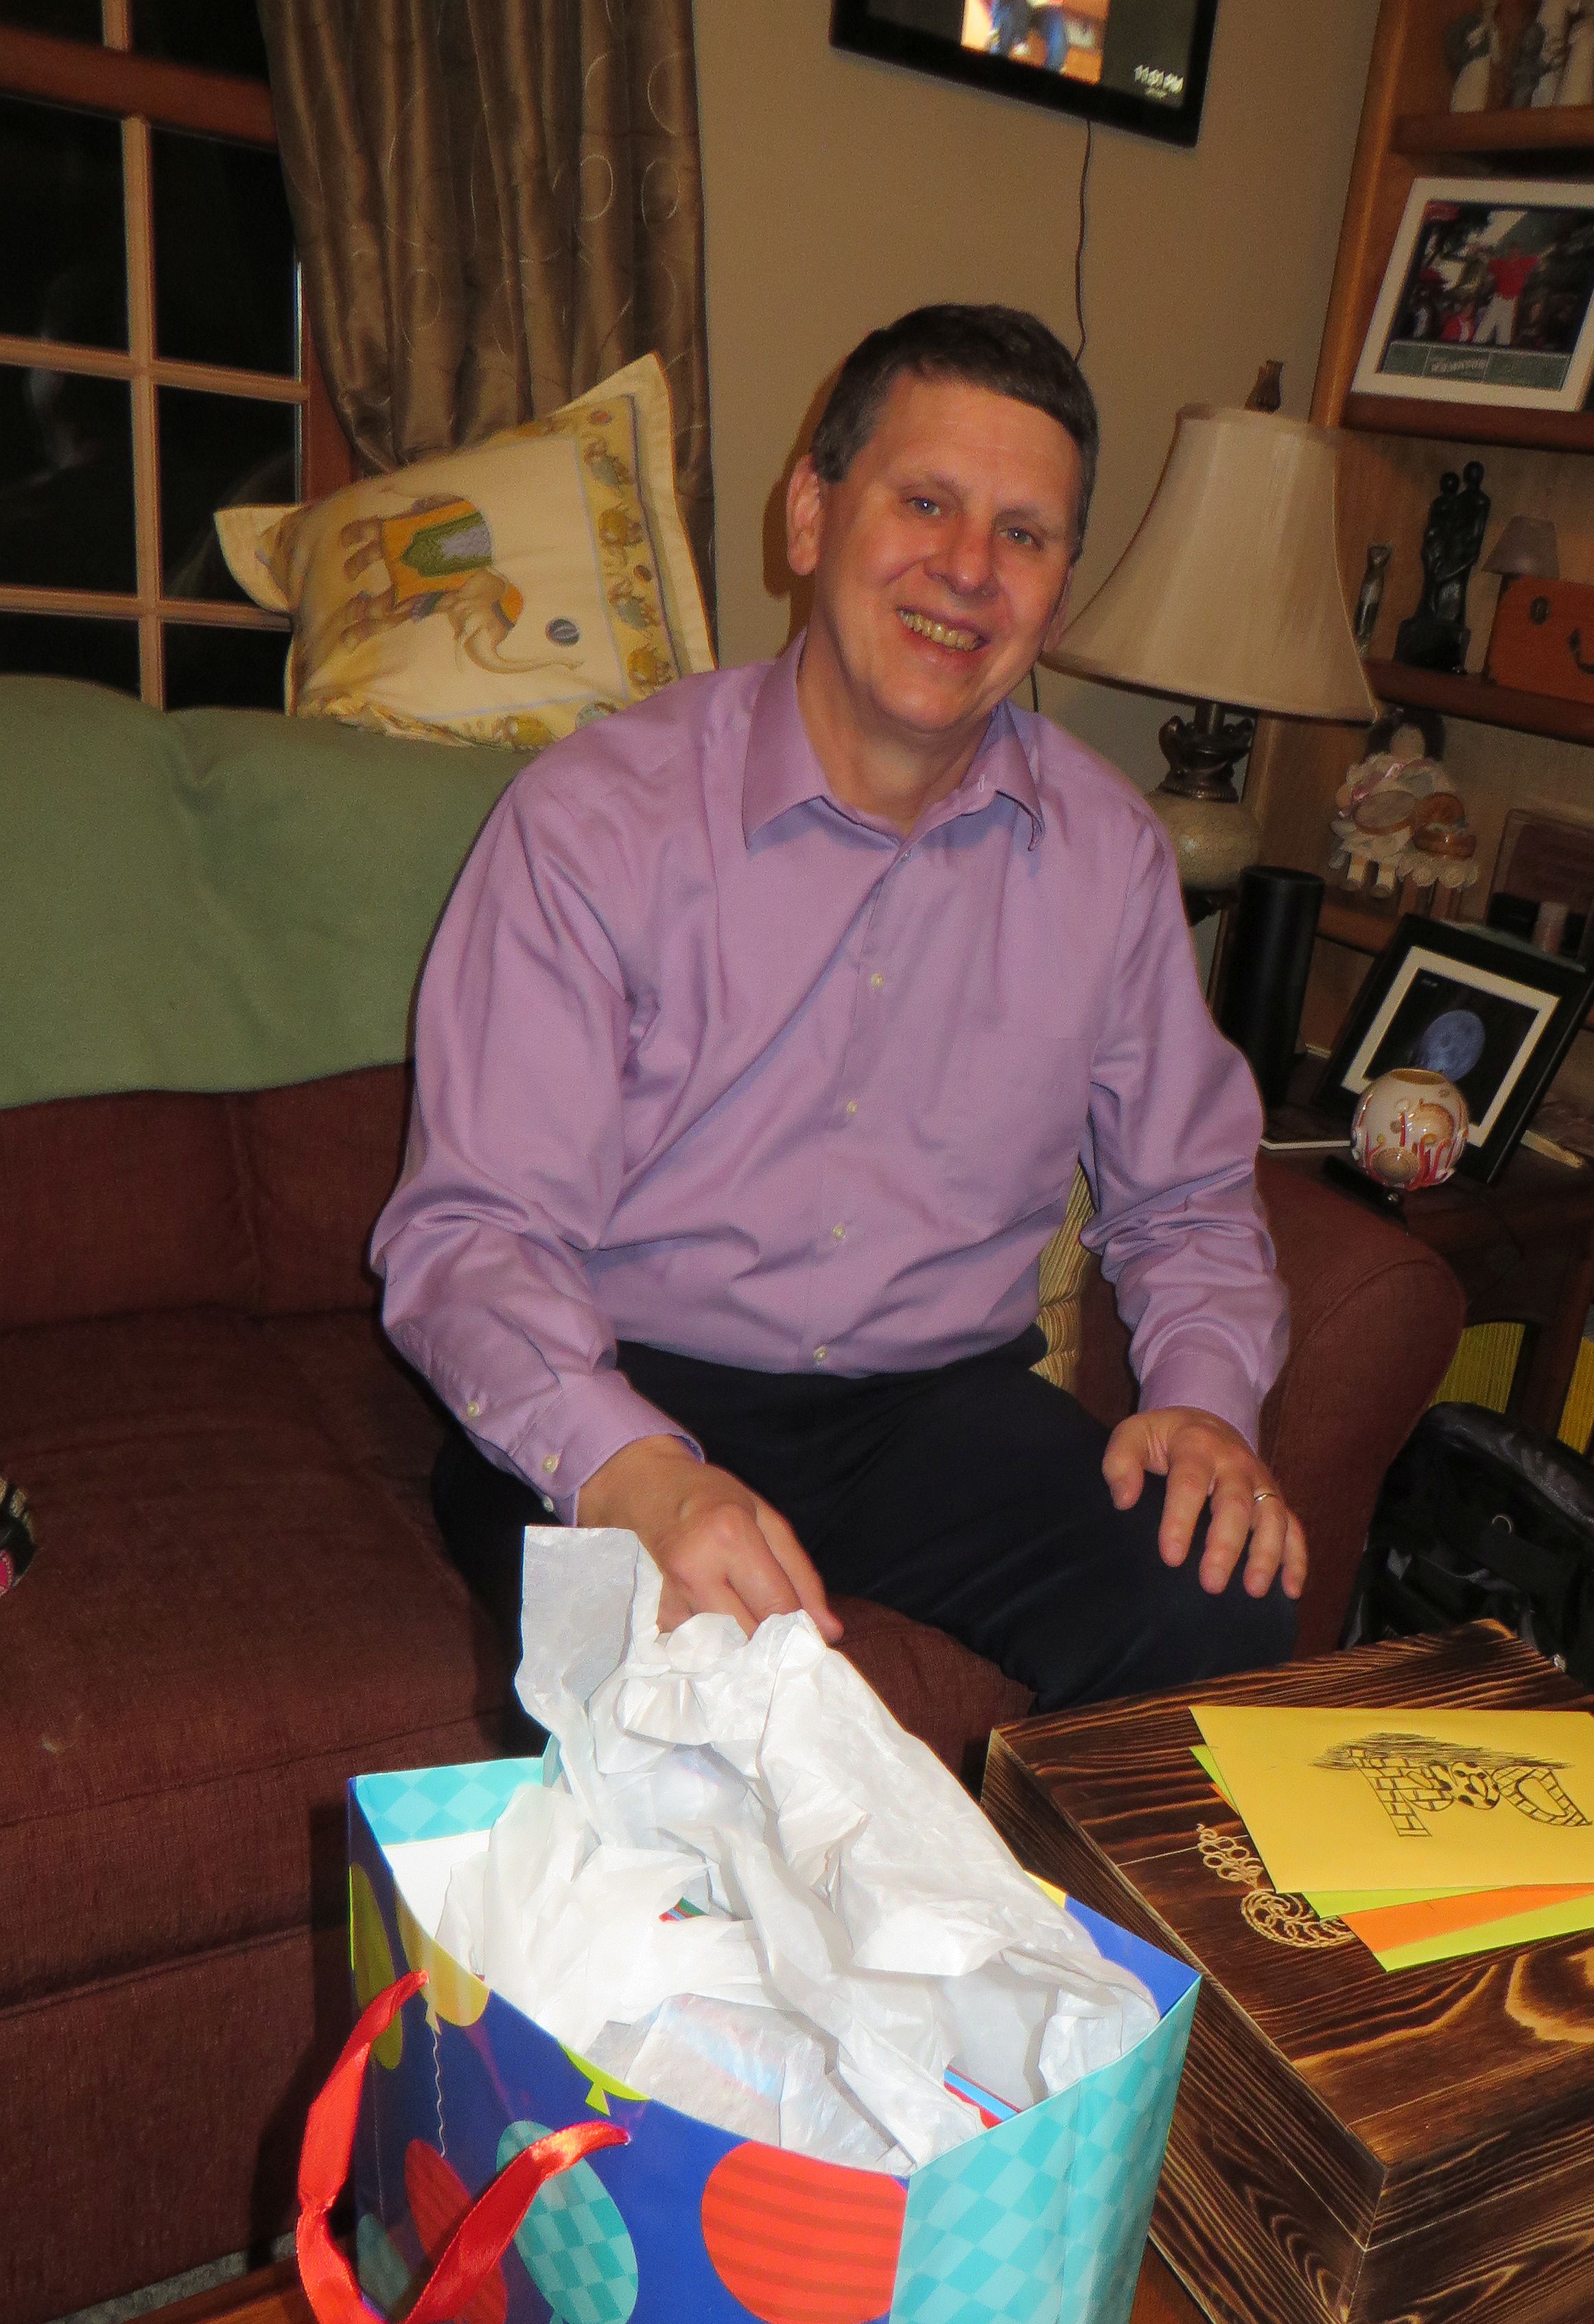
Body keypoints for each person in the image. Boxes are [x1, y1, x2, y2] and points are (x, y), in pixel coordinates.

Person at [373, 303, 1303, 1711]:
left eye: (1024, 533)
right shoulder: (591, 822)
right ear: (810, 515)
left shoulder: (1109, 853)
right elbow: (472, 1232)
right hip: (629, 1381)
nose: (968, 569)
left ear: (1058, 588)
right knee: (657, 1714)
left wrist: (1203, 1402)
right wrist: (639, 1474)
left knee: (1216, 1586)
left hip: (940, 1412)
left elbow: (1186, 1197)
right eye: (925, 502)